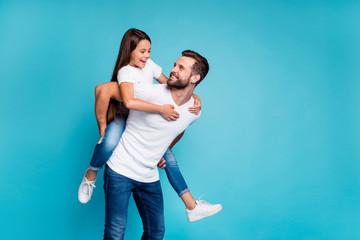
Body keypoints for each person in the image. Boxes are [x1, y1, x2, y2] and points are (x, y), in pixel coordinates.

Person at [78, 29, 221, 223]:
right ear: (129, 51)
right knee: (108, 143)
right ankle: (91, 172)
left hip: (145, 124)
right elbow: (112, 94)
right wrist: (102, 129)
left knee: (169, 160)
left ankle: (192, 207)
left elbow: (170, 87)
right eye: (142, 51)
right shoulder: (130, 75)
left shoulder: (153, 69)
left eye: (149, 51)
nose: (147, 55)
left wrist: (193, 95)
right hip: (125, 116)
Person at [102, 50, 221, 239]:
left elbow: (179, 129)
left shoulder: (194, 111)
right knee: (115, 234)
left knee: (156, 232)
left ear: (195, 77)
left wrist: (165, 151)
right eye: (175, 64)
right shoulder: (149, 91)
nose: (173, 70)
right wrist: (104, 130)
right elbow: (104, 91)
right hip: (120, 171)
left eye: (181, 68)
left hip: (149, 177)